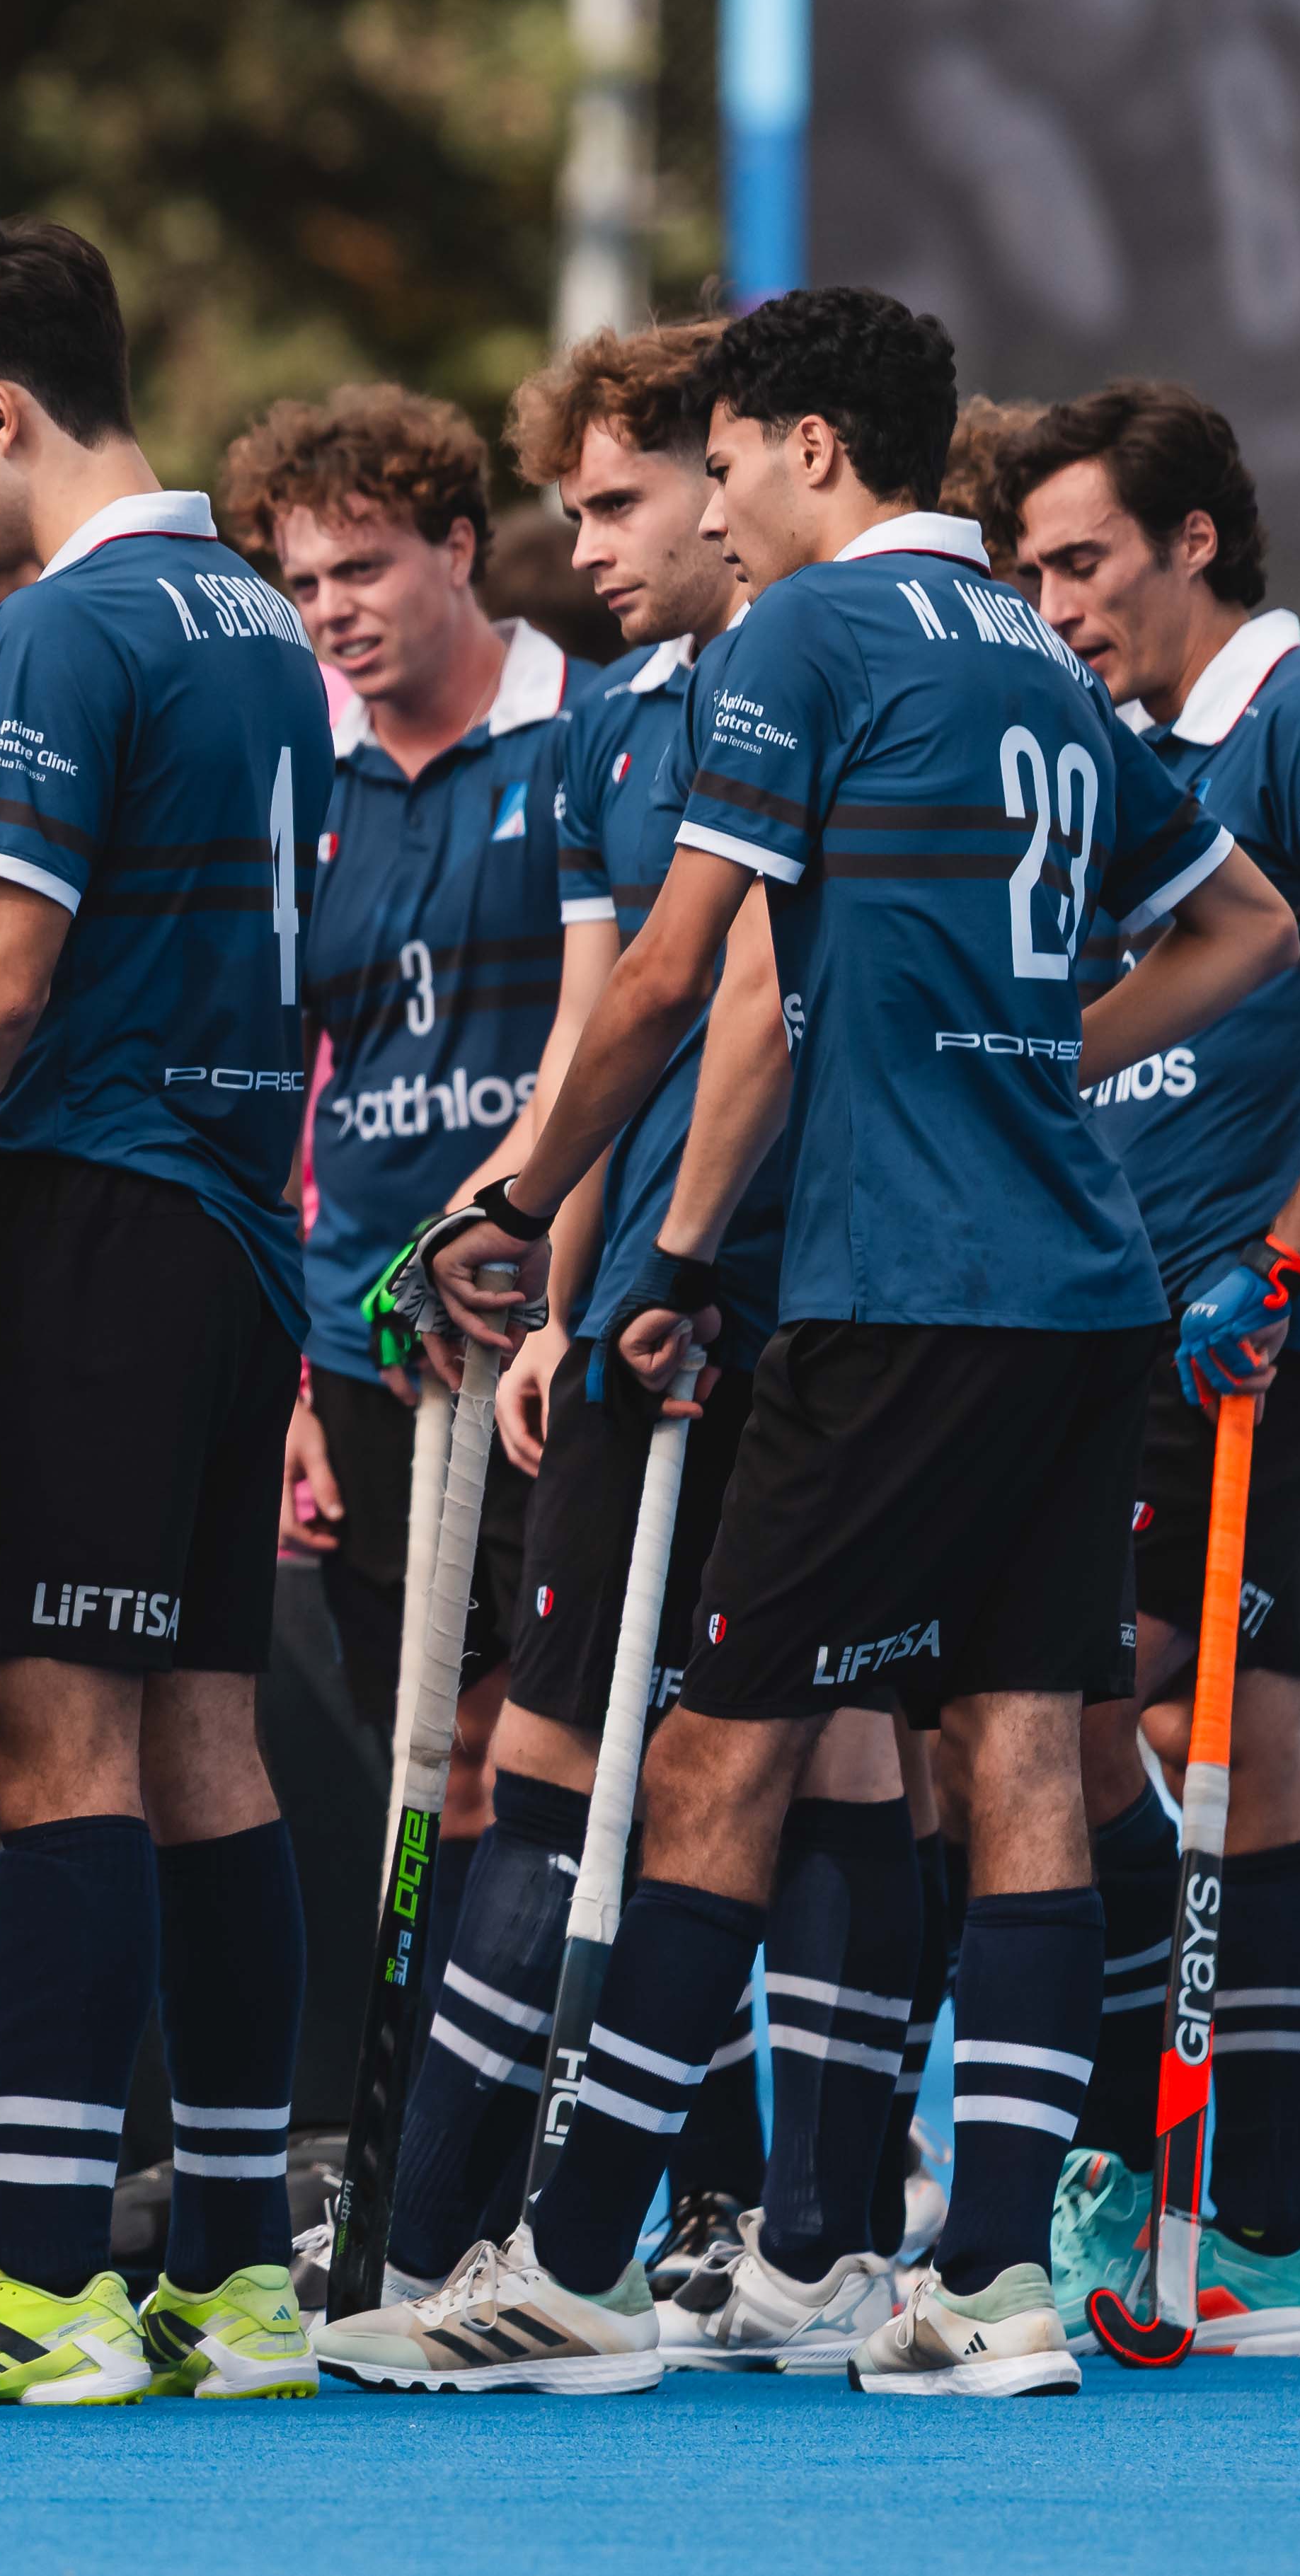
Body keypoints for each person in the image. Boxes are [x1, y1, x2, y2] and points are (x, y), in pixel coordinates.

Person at [317, 286, 1300, 2401]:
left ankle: (568, 2271)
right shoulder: (1039, 656)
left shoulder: (805, 638)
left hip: (906, 1292)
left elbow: (677, 974)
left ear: (808, 451)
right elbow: (1242, 923)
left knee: (713, 1753)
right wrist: (1028, 1061)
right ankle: (989, 2280)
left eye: (729, 461)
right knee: (1017, 1756)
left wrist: (501, 1206)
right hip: (1077, 1290)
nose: (719, 507)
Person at [0, 216, 337, 2412]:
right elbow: (134, 899)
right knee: (201, 1737)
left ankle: (37, 2276)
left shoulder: (72, 617)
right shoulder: (249, 618)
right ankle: (226, 2274)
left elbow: (2, 994)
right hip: (225, 1229)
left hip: (86, 1222)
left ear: (3, 410)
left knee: (52, 1748)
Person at [364, 323, 829, 2331]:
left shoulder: (816, 677)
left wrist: (625, 1251)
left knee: (794, 1763)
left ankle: (756, 2226)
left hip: (762, 1301)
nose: (614, 538)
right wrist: (547, 1277)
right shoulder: (610, 730)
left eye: (631, 498)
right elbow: (584, 1026)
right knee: (594, 1753)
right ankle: (475, 2235)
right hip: (630, 1291)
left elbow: (728, 1001)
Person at [1013, 382, 1300, 2355]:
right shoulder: (1117, 749)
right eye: (1027, 567)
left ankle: (1251, 2204)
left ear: (1195, 540)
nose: (1054, 600)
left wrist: (1280, 1257)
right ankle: (1193, 2149)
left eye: (1082, 559)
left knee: (1181, 1721)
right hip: (1134, 1320)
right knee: (1150, 1717)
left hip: (1270, 1324)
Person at [223, 388, 575, 1802]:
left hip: (544, 1320)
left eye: (359, 567)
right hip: (363, 1331)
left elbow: (640, 1039)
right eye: (300, 581)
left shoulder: (591, 736)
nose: (328, 609)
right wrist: (291, 1378)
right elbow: (272, 1081)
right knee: (424, 1767)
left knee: (552, 1749)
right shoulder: (301, 785)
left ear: (458, 546)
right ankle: (441, 2031)